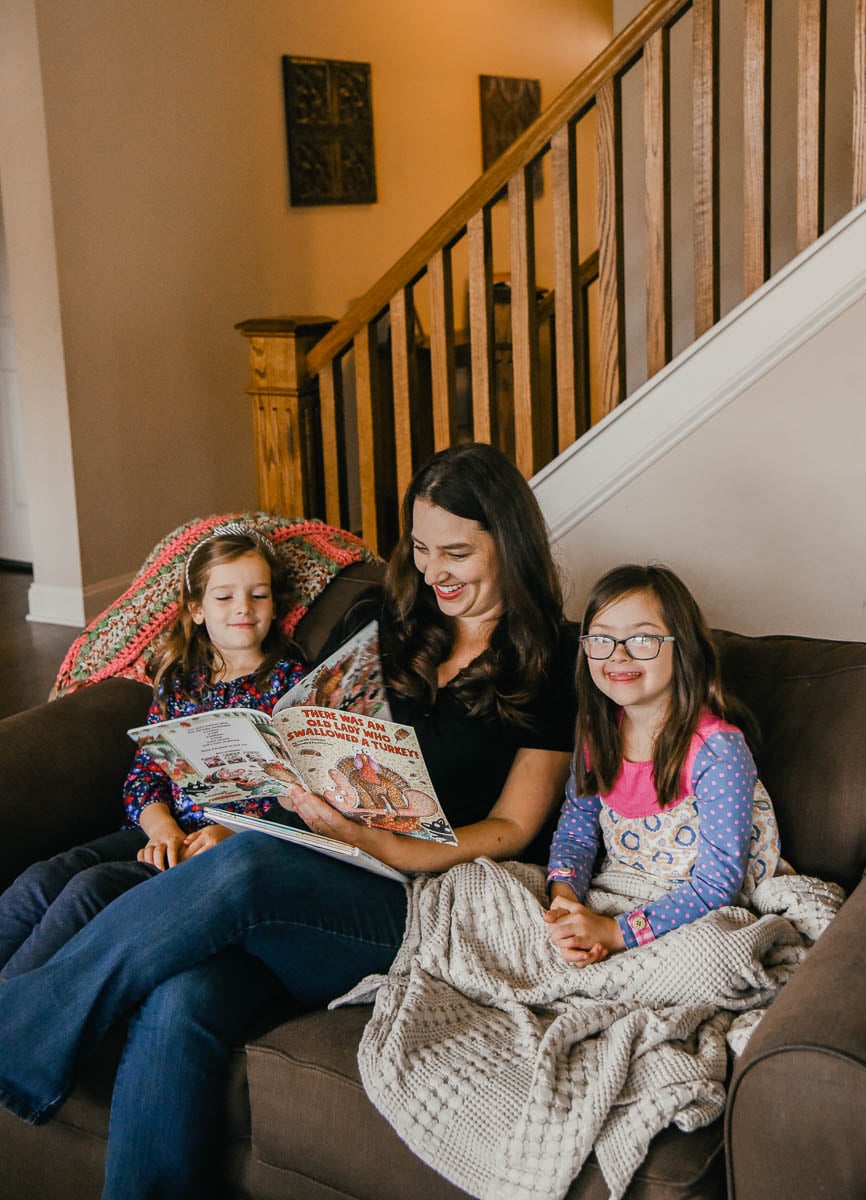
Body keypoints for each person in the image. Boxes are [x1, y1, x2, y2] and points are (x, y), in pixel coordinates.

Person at [0, 442, 579, 1200]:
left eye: (459, 552)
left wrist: (381, 841)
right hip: (305, 858)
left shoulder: (553, 658)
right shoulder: (388, 618)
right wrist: (291, 782)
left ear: (510, 541)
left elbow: (511, 826)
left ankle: (19, 1028)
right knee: (184, 1002)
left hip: (407, 896)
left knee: (240, 868)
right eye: (422, 547)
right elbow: (304, 728)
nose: (436, 570)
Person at [0, 524, 305, 979]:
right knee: (46, 877)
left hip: (219, 849)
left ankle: (13, 1008)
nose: (243, 607)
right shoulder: (183, 678)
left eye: (258, 595)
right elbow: (147, 770)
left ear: (274, 605)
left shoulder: (290, 683)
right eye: (224, 597)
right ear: (197, 610)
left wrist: (231, 832)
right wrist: (159, 825)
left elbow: (297, 788)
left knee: (89, 889)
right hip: (161, 831)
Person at [543, 562, 784, 967]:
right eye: (601, 639)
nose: (618, 656)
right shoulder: (596, 736)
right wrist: (564, 900)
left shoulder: (719, 751)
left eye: (641, 639)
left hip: (697, 909)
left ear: (683, 647)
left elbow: (716, 886)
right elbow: (577, 834)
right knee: (478, 886)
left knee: (716, 960)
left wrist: (613, 933)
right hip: (619, 890)